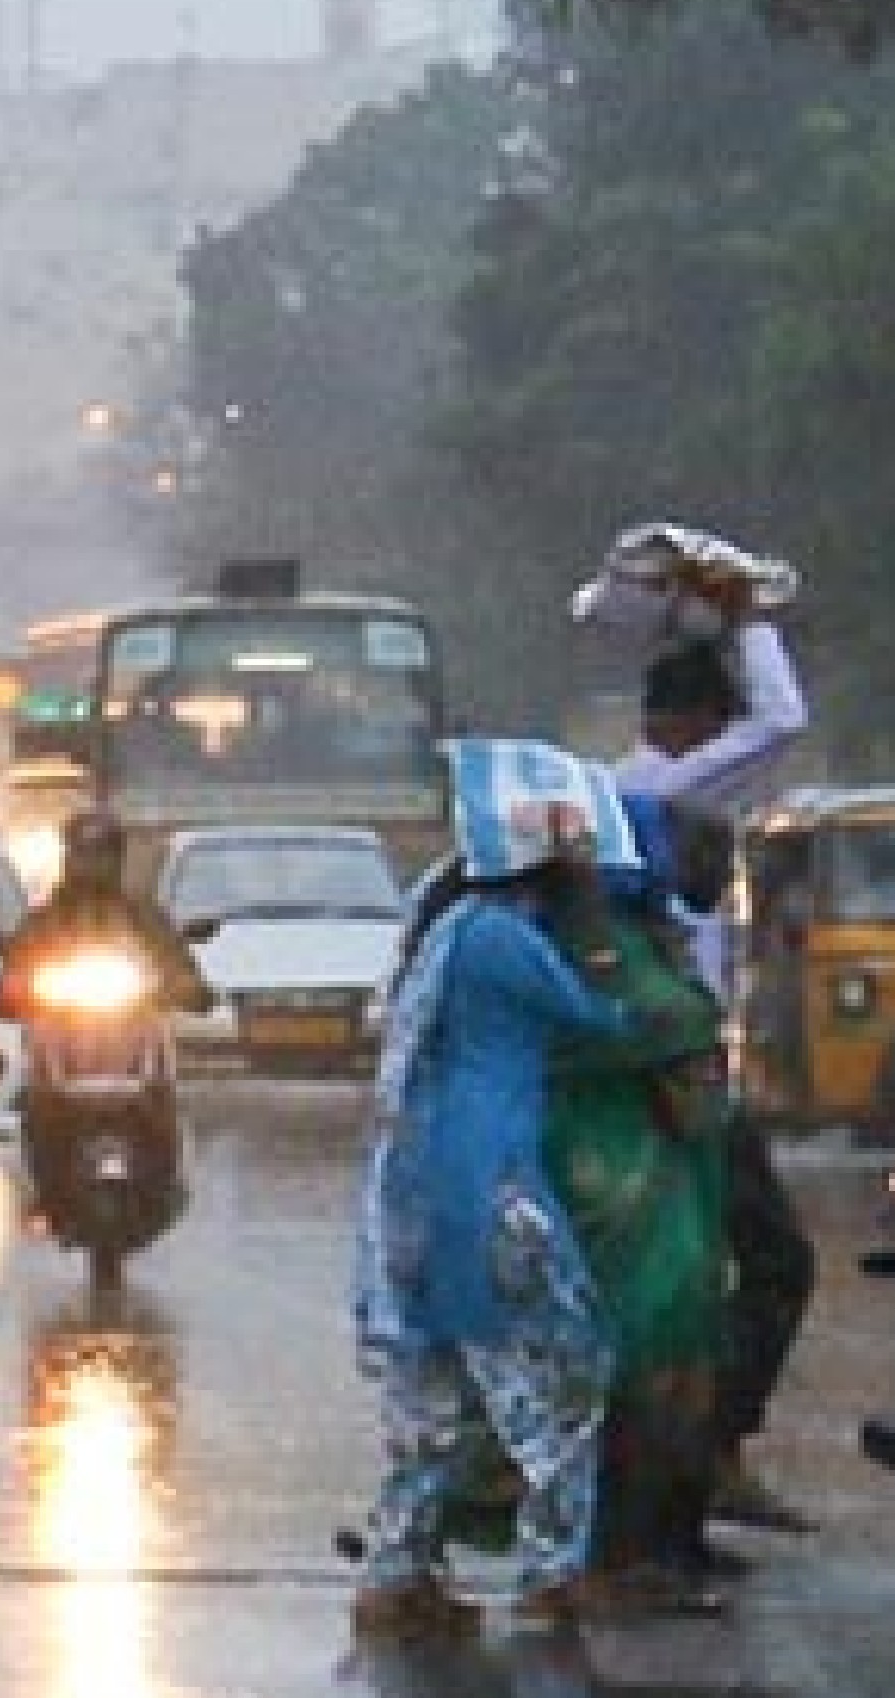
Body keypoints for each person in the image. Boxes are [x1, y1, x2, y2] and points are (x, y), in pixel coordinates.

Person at [351, 745, 637, 1635]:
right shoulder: (503, 940)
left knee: (434, 1397)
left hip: (415, 1189)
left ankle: (398, 1574)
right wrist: (592, 909)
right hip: (488, 1184)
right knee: (563, 1373)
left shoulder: (448, 931)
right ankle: (552, 1570)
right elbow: (605, 1013)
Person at [613, 635, 822, 1542]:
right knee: (759, 1264)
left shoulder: (631, 795)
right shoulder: (667, 791)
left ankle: (698, 1467)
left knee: (703, 1279)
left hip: (682, 1074)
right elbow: (783, 719)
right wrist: (749, 619)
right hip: (677, 1084)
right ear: (696, 725)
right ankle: (696, 1469)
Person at [544, 793, 736, 1606]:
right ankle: (621, 1556)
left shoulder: (631, 933)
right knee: (640, 1354)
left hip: (654, 1166)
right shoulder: (600, 940)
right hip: (620, 1166)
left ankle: (655, 1541)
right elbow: (650, 1021)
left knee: (670, 1348)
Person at [0, 808, 216, 1223]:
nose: (92, 864)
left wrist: (187, 987)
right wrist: (12, 989)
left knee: (164, 1092)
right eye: (84, 853)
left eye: (103, 853)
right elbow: (14, 969)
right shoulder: (46, 919)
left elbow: (178, 964)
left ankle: (165, 1179)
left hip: (133, 1039)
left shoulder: (143, 917)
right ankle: (43, 1185)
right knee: (35, 1100)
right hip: (63, 1039)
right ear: (68, 857)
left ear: (118, 858)